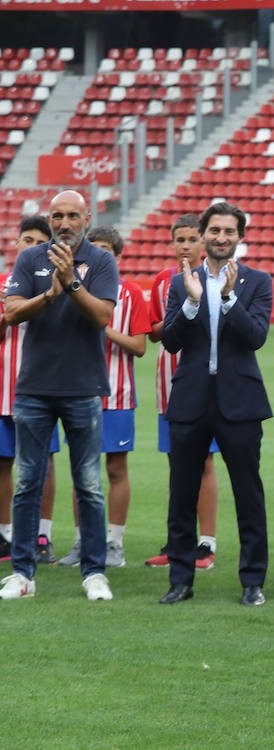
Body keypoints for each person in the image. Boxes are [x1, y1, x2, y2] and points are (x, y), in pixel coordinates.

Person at [0, 190, 118, 602]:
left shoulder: (101, 261)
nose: (64, 223)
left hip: (83, 386)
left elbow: (103, 316)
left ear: (87, 218)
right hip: (33, 387)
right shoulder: (31, 259)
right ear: (49, 220)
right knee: (27, 482)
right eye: (57, 216)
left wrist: (70, 284)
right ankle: (22, 573)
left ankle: (95, 571)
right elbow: (11, 312)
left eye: (72, 215)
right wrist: (49, 295)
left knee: (88, 484)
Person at [158, 201, 273, 606]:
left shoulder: (257, 281)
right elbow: (170, 340)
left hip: (240, 402)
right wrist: (191, 303)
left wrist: (227, 299)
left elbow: (256, 336)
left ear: (240, 238)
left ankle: (252, 581)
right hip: (190, 400)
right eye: (215, 230)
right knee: (181, 494)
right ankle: (180, 580)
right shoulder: (179, 283)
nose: (222, 238)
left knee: (248, 494)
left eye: (230, 232)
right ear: (204, 234)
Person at [54, 226, 150, 568]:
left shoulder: (131, 293)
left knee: (115, 469)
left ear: (118, 256)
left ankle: (114, 543)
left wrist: (104, 328)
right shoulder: (71, 289)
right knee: (82, 471)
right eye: (93, 249)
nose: (99, 256)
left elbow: (140, 346)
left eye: (106, 250)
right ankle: (82, 543)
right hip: (79, 391)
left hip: (118, 395)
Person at [145, 215, 220, 570]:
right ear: (172, 243)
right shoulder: (163, 281)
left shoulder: (215, 277)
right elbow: (154, 330)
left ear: (202, 243)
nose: (186, 245)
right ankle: (179, 539)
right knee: (177, 461)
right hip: (168, 378)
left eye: (192, 239)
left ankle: (206, 543)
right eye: (180, 239)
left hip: (203, 377)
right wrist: (178, 316)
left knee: (204, 461)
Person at [0, 217, 58, 565]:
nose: (30, 246)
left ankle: (42, 534)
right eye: (26, 239)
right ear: (16, 244)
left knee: (44, 465)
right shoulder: (4, 286)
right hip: (5, 390)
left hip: (43, 387)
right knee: (3, 464)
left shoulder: (57, 286)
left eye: (38, 241)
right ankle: (6, 533)